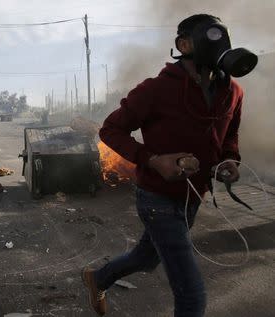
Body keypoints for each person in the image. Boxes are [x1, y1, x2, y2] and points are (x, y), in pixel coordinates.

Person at [81, 14, 258, 316]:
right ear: (183, 45)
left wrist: (228, 161)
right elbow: (110, 129)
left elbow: (230, 137)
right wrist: (152, 160)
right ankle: (99, 279)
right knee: (192, 296)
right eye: (208, 37)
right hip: (156, 199)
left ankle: (98, 279)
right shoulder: (155, 89)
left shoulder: (234, 92)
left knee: (146, 258)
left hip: (192, 198)